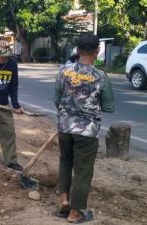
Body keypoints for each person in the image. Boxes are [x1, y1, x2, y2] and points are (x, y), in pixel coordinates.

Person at [54, 33, 115, 223]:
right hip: (87, 132)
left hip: (64, 127)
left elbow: (57, 100)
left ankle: (64, 200)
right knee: (83, 171)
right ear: (97, 52)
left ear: (78, 50)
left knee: (65, 161)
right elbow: (109, 107)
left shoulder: (64, 71)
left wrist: (69, 111)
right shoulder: (100, 76)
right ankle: (75, 213)